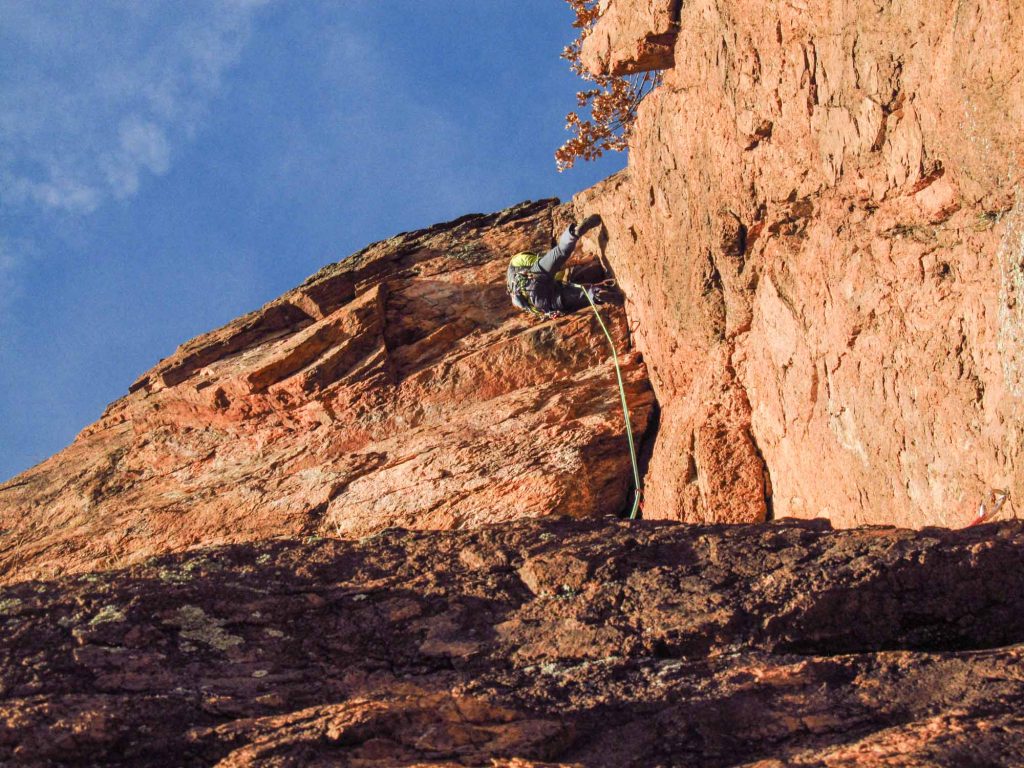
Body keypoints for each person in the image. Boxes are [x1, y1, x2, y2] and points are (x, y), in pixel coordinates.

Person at [506, 214, 614, 318]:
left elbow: (557, 276)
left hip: (542, 304)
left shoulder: (525, 303)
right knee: (560, 251)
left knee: (571, 296)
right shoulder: (516, 261)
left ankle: (596, 294)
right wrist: (579, 261)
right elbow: (554, 265)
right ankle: (574, 233)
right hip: (534, 280)